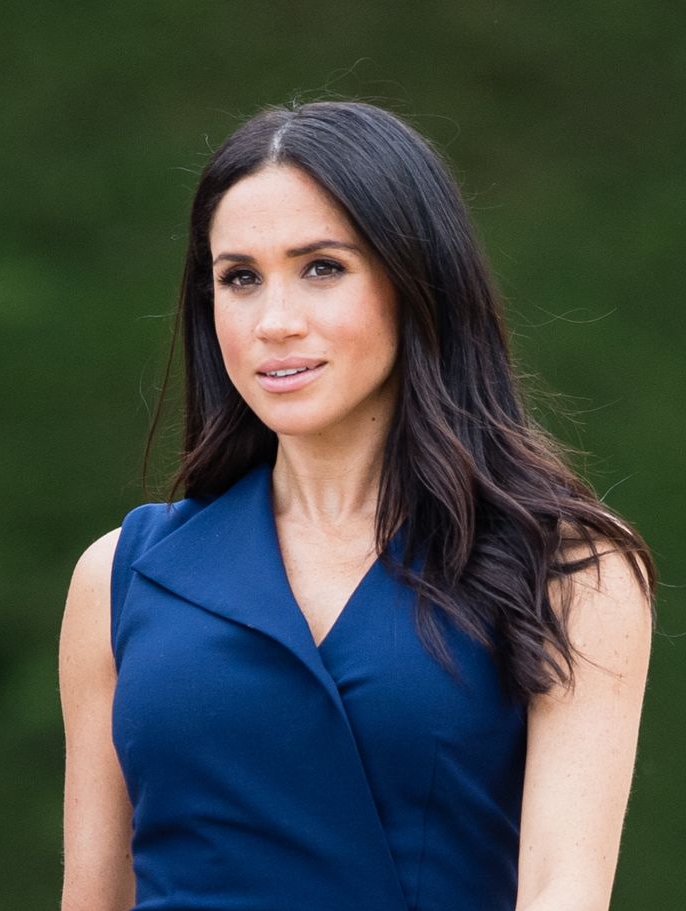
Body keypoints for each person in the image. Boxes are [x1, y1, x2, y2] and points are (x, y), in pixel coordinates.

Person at [59, 101, 656, 911]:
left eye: (322, 267)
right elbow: (93, 897)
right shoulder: (120, 578)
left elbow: (564, 891)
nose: (274, 321)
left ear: (418, 283)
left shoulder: (570, 569)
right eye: (239, 277)